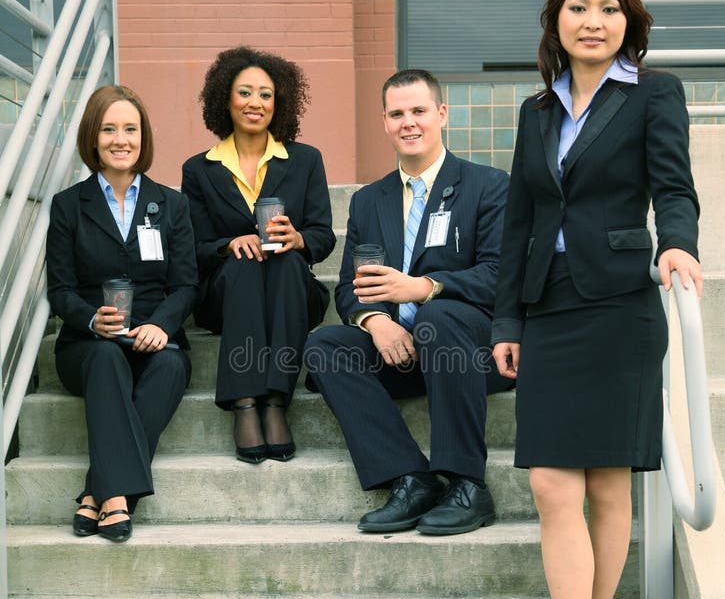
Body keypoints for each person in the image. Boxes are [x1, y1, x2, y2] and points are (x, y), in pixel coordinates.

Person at [491, 0, 702, 599]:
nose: (593, 22)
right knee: (552, 483)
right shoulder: (534, 112)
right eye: (579, 7)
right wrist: (506, 320)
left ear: (628, 21)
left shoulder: (654, 94)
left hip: (619, 306)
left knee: (609, 488)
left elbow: (673, 187)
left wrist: (676, 244)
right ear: (555, 18)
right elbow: (519, 222)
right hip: (548, 310)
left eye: (609, 8)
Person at [305, 69, 511, 536]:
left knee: (438, 316)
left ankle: (467, 483)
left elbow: (501, 277)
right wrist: (376, 320)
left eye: (419, 111)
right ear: (384, 122)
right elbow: (347, 290)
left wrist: (423, 288)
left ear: (441, 115)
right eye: (397, 114)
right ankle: (411, 478)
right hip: (399, 348)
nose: (408, 123)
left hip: (469, 352)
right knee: (323, 346)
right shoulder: (367, 202)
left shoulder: (489, 185)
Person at [47, 85, 198, 543]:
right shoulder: (68, 205)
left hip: (154, 339)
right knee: (108, 359)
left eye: (130, 129)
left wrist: (160, 324)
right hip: (88, 345)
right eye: (109, 129)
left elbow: (187, 284)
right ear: (93, 138)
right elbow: (61, 290)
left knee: (172, 366)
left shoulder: (171, 204)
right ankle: (117, 499)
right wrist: (92, 319)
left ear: (142, 136)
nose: (120, 139)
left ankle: (99, 489)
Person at [182, 46, 335, 463]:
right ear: (225, 100)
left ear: (278, 102)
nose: (256, 103)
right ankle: (245, 401)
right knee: (246, 258)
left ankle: (275, 399)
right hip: (227, 294)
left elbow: (324, 235)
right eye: (245, 92)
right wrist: (228, 244)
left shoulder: (305, 160)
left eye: (266, 94)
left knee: (284, 258)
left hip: (290, 291)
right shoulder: (199, 169)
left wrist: (299, 239)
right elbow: (191, 248)